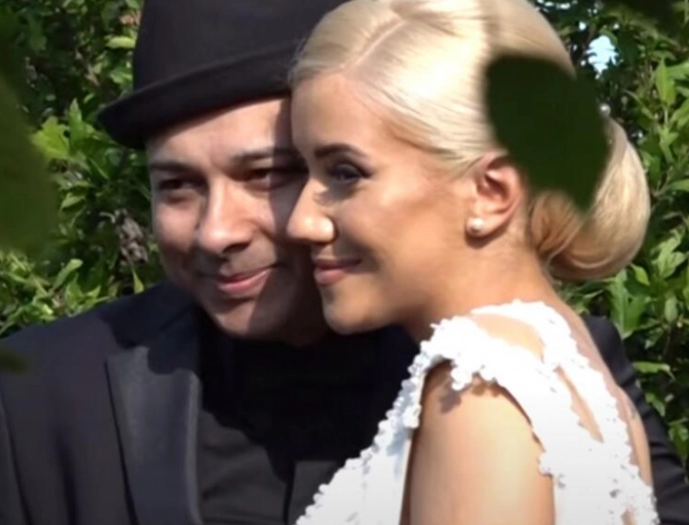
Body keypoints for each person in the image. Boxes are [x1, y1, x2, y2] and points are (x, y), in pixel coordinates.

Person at [0, 0, 689, 524]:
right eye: (178, 186)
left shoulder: (504, 382)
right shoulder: (40, 392)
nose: (217, 232)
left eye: (270, 174)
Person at [284, 0, 677, 523]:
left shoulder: (479, 392)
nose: (300, 222)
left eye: (345, 173)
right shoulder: (579, 378)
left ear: (491, 193)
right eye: (303, 171)